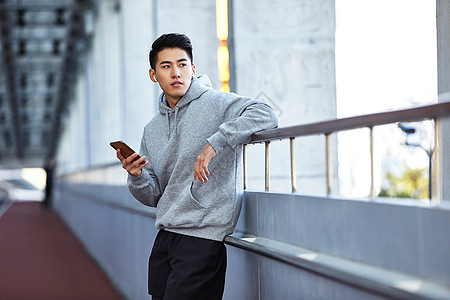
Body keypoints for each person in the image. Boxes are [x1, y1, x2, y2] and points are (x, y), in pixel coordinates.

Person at [116, 33, 278, 300]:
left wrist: (215, 142)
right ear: (153, 74)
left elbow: (266, 114)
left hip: (203, 236)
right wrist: (137, 176)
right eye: (166, 66)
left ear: (193, 69)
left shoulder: (216, 103)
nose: (176, 73)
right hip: (166, 234)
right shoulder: (152, 129)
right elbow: (154, 195)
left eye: (182, 64)